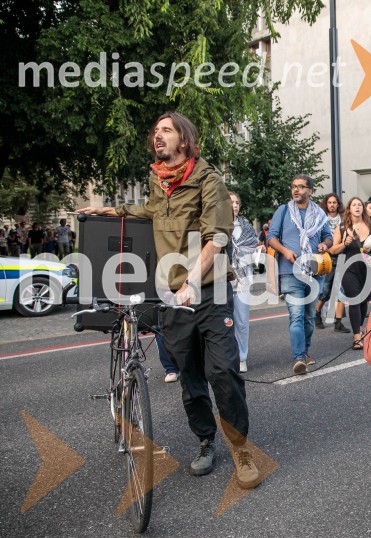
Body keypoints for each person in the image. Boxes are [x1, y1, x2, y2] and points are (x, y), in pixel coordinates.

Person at [78, 111, 262, 489]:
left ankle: (240, 447)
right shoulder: (158, 181)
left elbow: (218, 236)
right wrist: (109, 211)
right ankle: (206, 440)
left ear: (184, 139)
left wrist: (192, 280)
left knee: (223, 371)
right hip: (173, 294)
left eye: (166, 130)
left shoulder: (207, 179)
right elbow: (149, 211)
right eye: (155, 131)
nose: (157, 136)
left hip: (210, 289)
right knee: (190, 376)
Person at [266, 175, 333, 375]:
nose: (296, 190)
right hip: (290, 271)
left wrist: (324, 245)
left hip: (315, 272)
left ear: (310, 191)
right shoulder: (283, 210)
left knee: (309, 317)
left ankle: (304, 350)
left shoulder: (319, 213)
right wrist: (285, 251)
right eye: (294, 186)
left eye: (301, 187)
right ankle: (299, 357)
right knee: (296, 316)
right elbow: (271, 238)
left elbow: (328, 237)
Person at [328, 197, 371, 350]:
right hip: (348, 269)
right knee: (355, 300)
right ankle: (357, 337)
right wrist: (344, 244)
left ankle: (360, 327)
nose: (357, 207)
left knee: (364, 301)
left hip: (368, 267)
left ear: (363, 208)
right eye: (354, 205)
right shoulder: (342, 228)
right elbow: (333, 250)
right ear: (349, 209)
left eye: (359, 205)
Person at [228, 191, 258, 374]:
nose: (235, 206)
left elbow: (252, 245)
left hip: (243, 279)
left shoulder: (245, 226)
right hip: (223, 278)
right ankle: (226, 356)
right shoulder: (217, 225)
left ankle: (242, 357)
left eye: (237, 203)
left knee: (241, 321)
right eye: (231, 202)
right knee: (224, 321)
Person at [315, 192, 344, 329]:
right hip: (326, 258)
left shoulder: (344, 219)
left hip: (341, 256)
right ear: (326, 204)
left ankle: (338, 322)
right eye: (330, 202)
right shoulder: (321, 219)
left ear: (338, 204)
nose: (332, 205)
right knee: (325, 290)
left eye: (334, 202)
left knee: (341, 291)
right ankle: (317, 314)